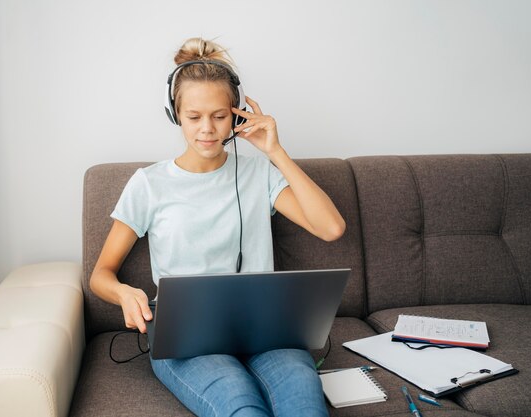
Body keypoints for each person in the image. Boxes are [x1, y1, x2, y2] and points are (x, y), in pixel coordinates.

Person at [90, 37, 346, 417]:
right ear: (174, 114)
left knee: (307, 409)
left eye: (220, 115)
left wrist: (275, 151)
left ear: (237, 114)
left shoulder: (259, 172)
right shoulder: (149, 183)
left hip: (266, 329)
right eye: (194, 117)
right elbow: (101, 275)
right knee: (244, 410)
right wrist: (125, 293)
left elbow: (331, 228)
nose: (207, 129)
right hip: (187, 339)